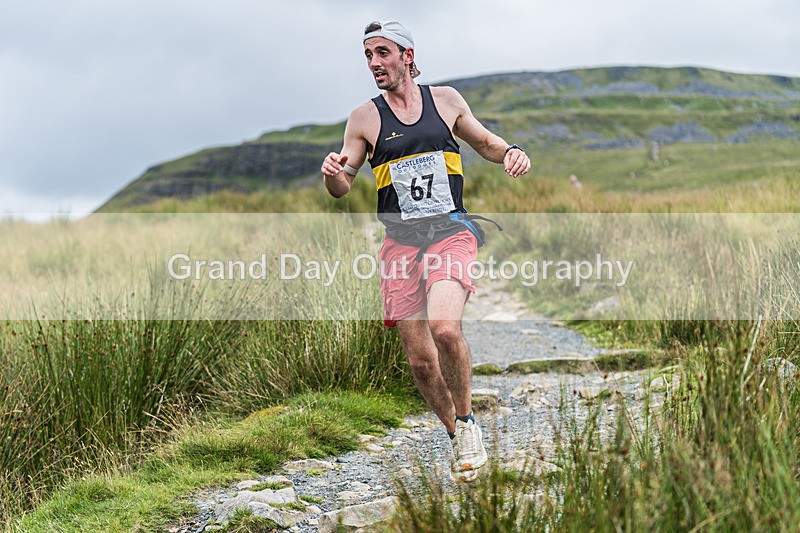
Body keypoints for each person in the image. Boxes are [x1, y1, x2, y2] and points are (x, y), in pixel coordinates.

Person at [320, 20, 531, 483]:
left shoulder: (447, 101)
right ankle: (456, 435)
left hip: (450, 232)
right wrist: (333, 171)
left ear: (407, 57)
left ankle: (468, 421)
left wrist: (511, 151)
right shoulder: (364, 118)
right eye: (368, 56)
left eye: (382, 53)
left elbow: (486, 142)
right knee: (419, 359)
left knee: (444, 327)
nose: (375, 64)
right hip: (400, 245)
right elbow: (342, 186)